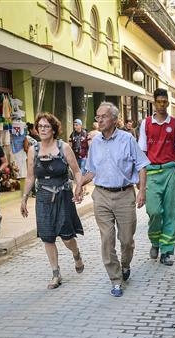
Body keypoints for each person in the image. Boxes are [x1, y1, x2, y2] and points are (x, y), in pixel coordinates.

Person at [75, 102, 150, 297]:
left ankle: (125, 265)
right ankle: (115, 279)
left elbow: (142, 165)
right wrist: (80, 184)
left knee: (126, 240)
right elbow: (91, 170)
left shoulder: (127, 139)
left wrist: (142, 191)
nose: (99, 120)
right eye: (97, 117)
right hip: (101, 195)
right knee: (107, 239)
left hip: (125, 195)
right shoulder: (95, 143)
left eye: (103, 117)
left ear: (115, 120)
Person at [20, 112, 85, 289]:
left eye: (46, 126)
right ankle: (56, 274)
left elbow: (77, 170)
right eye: (40, 126)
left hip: (63, 196)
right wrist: (24, 198)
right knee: (47, 237)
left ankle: (76, 253)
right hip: (43, 197)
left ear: (54, 129)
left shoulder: (63, 147)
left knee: (66, 237)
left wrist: (79, 186)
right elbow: (30, 176)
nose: (42, 129)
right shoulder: (33, 150)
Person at [137, 88, 175, 266]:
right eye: (159, 102)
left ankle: (166, 250)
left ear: (168, 103)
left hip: (169, 172)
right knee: (154, 211)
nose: (162, 105)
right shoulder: (146, 124)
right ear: (154, 103)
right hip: (151, 173)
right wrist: (139, 180)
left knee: (171, 212)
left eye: (165, 102)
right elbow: (141, 152)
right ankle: (155, 242)